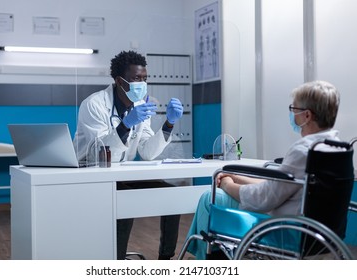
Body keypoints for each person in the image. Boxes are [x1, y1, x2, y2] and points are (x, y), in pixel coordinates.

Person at [186, 80, 342, 259]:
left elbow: (263, 199)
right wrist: (237, 177)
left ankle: (207, 260)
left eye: (294, 109)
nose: (292, 114)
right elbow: (282, 186)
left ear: (307, 116)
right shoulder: (335, 149)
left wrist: (228, 185)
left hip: (284, 231)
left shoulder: (303, 151)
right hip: (319, 235)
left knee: (209, 198)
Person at [73, 50, 184, 260]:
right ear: (120, 81)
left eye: (144, 79)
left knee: (172, 197)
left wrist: (168, 123)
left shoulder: (140, 106)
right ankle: (115, 263)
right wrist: (126, 125)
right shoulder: (94, 105)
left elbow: (147, 152)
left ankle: (166, 260)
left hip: (118, 174)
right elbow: (103, 156)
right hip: (90, 173)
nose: (141, 84)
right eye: (135, 79)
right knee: (123, 202)